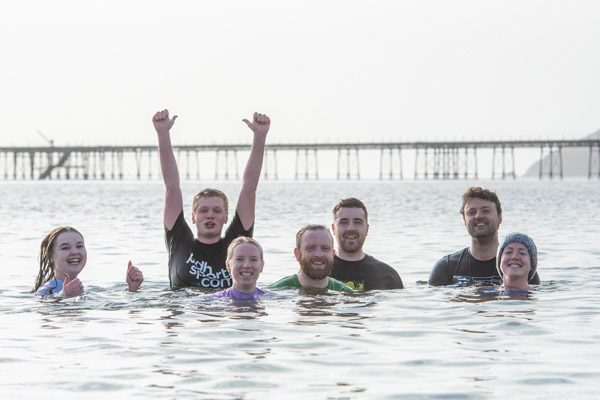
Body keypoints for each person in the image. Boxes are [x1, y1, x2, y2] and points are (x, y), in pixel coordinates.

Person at [152, 109, 270, 289]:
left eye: (217, 211)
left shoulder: (236, 243)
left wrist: (260, 136)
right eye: (203, 210)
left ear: (225, 217)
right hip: (184, 314)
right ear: (193, 217)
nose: (210, 215)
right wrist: (162, 133)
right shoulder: (179, 240)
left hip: (226, 312)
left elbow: (249, 190)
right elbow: (172, 187)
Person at [428, 186, 540, 286]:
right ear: (464, 220)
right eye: (472, 212)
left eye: (486, 211)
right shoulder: (446, 267)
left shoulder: (517, 266)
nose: (478, 216)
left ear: (500, 217)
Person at [34, 226, 143, 297]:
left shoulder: (86, 289)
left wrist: (132, 290)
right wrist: (63, 296)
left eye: (79, 246)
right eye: (65, 248)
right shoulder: (47, 289)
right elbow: (47, 308)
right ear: (51, 256)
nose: (75, 251)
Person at [330, 198, 403, 290]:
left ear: (367, 229)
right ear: (333, 228)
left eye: (357, 222)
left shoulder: (388, 275)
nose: (350, 228)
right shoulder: (319, 271)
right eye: (344, 222)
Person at [268, 225, 354, 292]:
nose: (319, 255)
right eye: (311, 248)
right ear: (297, 254)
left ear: (333, 254)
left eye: (325, 248)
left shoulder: (345, 293)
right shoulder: (275, 291)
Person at [205, 236, 275, 299]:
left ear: (262, 266)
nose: (246, 265)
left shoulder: (274, 299)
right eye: (239, 259)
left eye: (253, 259)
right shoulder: (210, 300)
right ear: (228, 265)